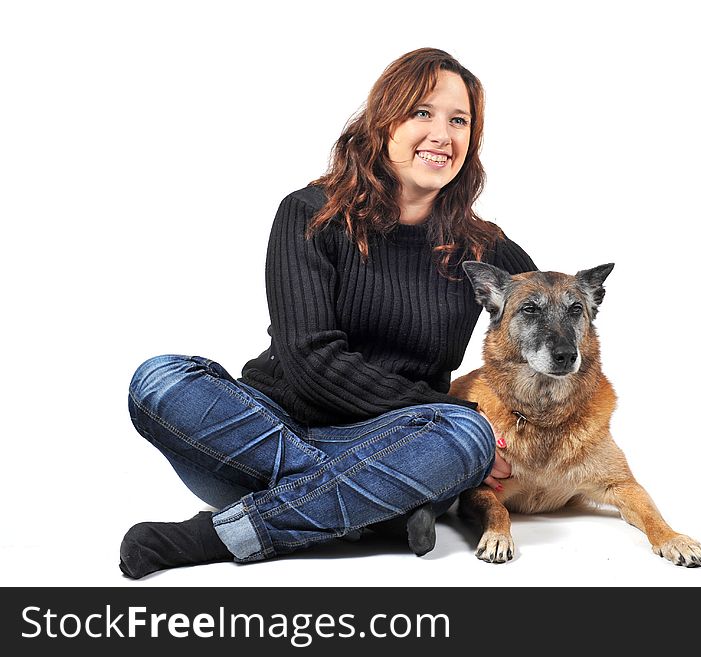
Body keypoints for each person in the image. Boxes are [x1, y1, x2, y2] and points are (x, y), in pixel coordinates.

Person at [121, 47, 536, 579]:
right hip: (263, 431)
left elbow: (550, 324)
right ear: (384, 123)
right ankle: (377, 507)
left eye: (459, 121)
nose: (442, 134)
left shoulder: (485, 248)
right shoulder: (310, 213)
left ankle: (219, 536)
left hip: (395, 441)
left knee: (465, 437)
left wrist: (502, 428)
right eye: (422, 113)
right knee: (159, 378)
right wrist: (444, 434)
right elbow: (310, 359)